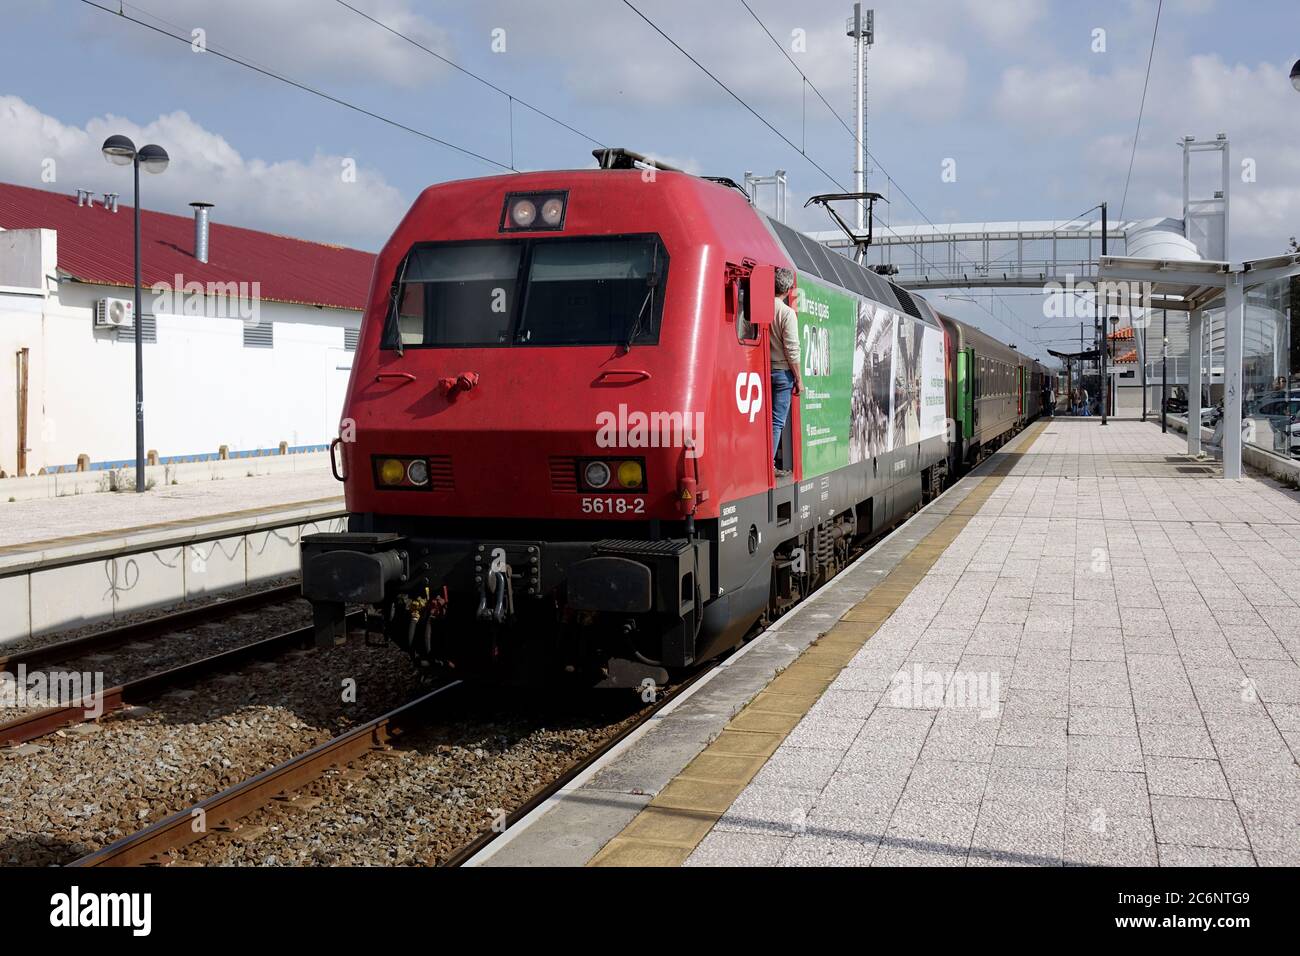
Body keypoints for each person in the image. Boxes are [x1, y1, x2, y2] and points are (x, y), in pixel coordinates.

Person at [770, 267, 802, 476]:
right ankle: (769, 464)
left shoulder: (758, 308)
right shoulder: (786, 313)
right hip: (782, 373)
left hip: (763, 372)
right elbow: (792, 349)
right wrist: (799, 378)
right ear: (789, 289)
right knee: (777, 421)